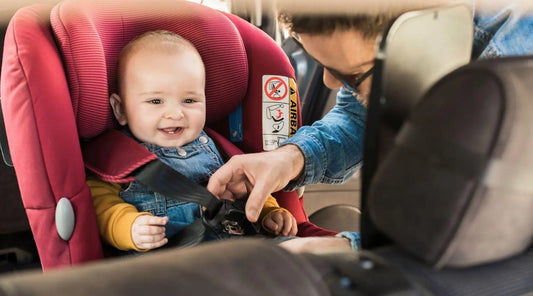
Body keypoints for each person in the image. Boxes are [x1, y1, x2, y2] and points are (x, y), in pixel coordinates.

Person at [206, 3, 533, 252]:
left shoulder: (515, 72)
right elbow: (358, 116)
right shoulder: (384, 41)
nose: (328, 82)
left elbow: (477, 232)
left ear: (425, 37)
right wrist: (289, 158)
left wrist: (348, 249)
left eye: (349, 75)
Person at [87, 30, 297, 252]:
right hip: (174, 263)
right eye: (156, 101)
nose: (175, 113)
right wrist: (128, 227)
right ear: (121, 109)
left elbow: (249, 188)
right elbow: (99, 204)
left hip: (241, 251)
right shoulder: (118, 158)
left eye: (189, 100)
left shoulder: (218, 148)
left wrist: (269, 213)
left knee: (302, 252)